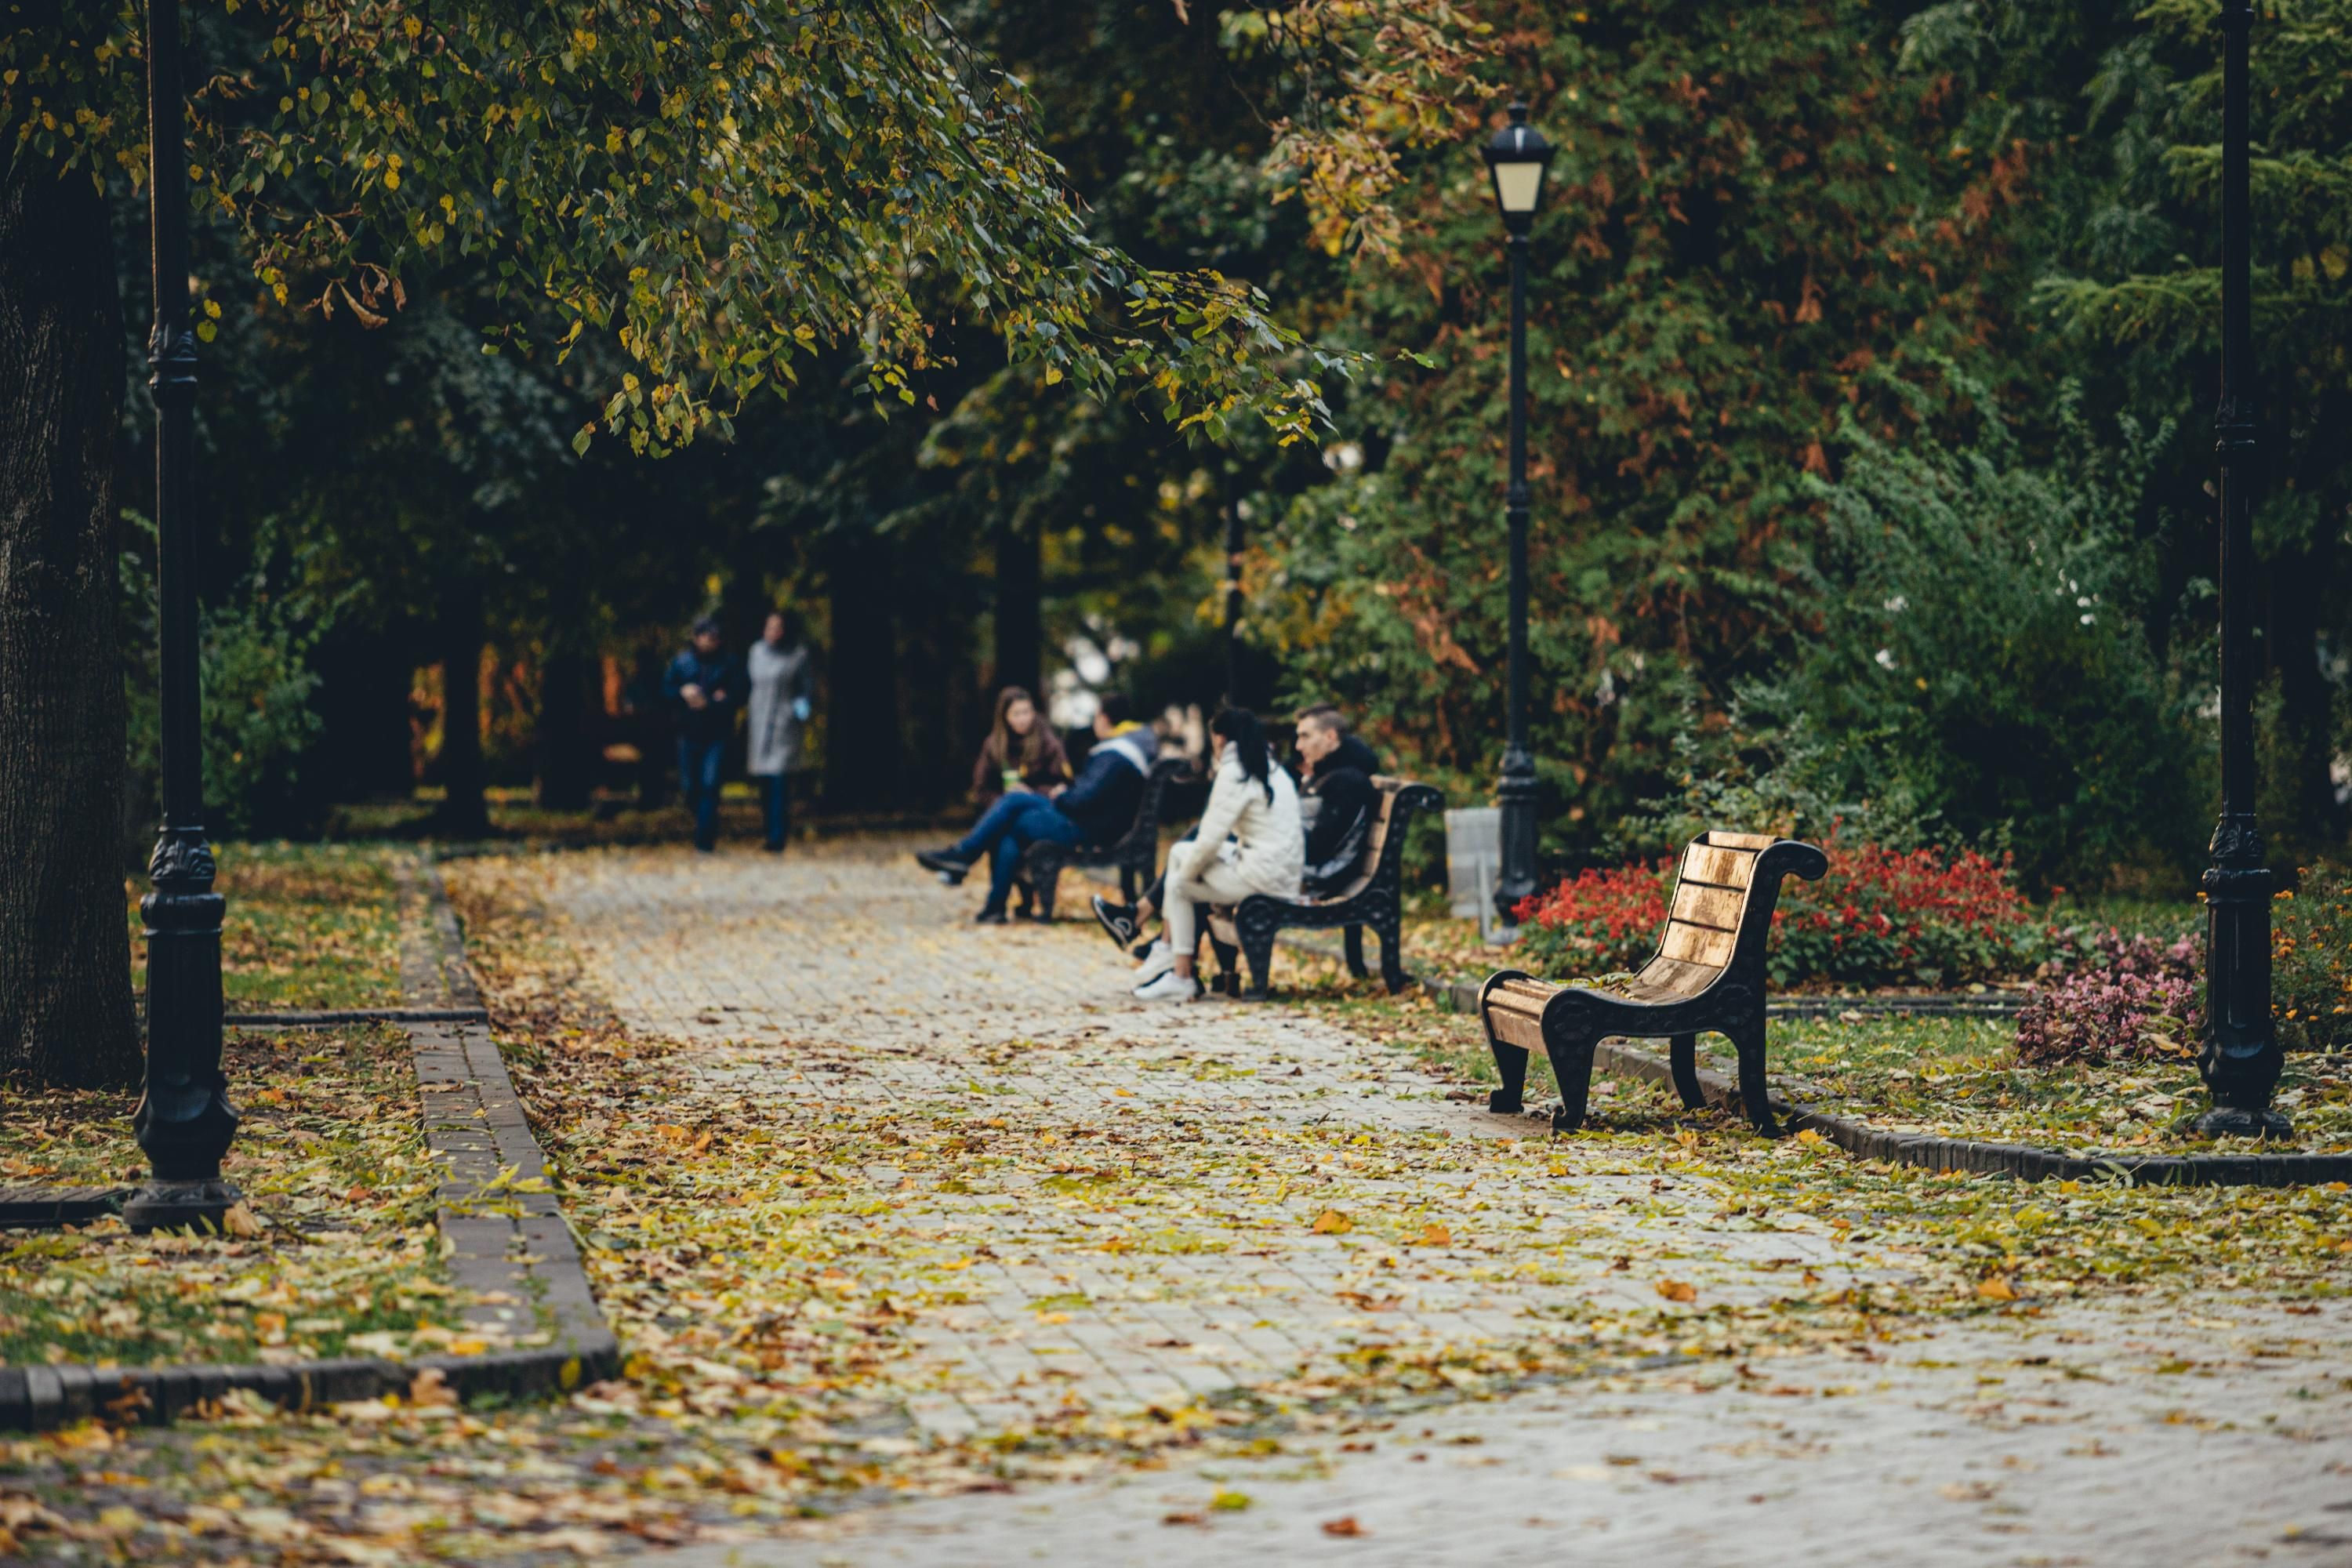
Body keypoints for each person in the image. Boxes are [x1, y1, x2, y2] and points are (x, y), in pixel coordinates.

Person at [1093, 702, 1379, 956]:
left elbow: (1317, 848)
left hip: (1311, 874)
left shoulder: (1347, 782)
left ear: (1331, 737)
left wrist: (1261, 835)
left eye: (1305, 736)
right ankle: (1163, 942)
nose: (1298, 745)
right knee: (1203, 848)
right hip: (1289, 862)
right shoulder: (1323, 773)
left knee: (1203, 849)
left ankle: (1157, 936)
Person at [913, 694, 1157, 924]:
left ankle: (969, 867)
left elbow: (1083, 799)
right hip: (1090, 820)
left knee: (1011, 813)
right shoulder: (1127, 747)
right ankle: (976, 879)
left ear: (1103, 719)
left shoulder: (1114, 754)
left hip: (1086, 827)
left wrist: (1063, 795)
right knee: (1013, 805)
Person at [1131, 707, 1302, 1002]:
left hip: (1263, 877)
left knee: (1179, 885)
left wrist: (1184, 878)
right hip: (1277, 871)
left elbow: (1210, 840)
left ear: (1220, 738)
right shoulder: (1269, 767)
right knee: (1179, 852)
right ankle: (1166, 951)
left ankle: (1179, 973)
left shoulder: (1236, 772)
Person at [662, 615, 739, 852]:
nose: (709, 641)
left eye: (714, 637)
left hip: (717, 734)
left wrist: (715, 702)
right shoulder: (682, 663)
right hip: (688, 732)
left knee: (710, 784)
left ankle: (705, 840)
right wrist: (682, 692)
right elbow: (665, 691)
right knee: (690, 786)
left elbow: (739, 693)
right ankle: (703, 821)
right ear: (696, 638)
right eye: (706, 636)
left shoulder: (729, 664)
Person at [745, 610, 815, 853]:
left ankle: (777, 836)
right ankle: (768, 830)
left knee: (780, 781)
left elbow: (806, 688)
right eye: (769, 627)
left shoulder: (798, 655)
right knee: (765, 782)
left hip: (785, 725)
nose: (773, 632)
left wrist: (800, 709)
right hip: (759, 721)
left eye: (778, 627)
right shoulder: (756, 652)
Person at [968, 686, 1071, 811]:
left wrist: (1030, 794)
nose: (1022, 719)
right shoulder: (993, 745)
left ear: (1033, 712)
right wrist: (1006, 800)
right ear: (1005, 716)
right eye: (1016, 714)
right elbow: (981, 788)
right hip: (1003, 809)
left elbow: (1062, 785)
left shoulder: (1049, 743)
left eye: (1026, 712)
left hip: (1039, 808)